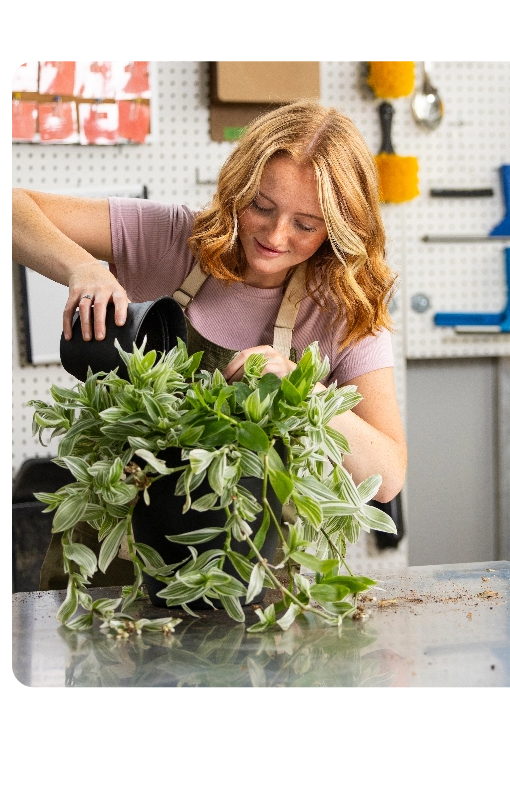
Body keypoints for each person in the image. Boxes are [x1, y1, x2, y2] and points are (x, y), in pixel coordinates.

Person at [13, 100, 407, 514]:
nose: (275, 234)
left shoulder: (344, 307)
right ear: (238, 187)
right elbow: (13, 206)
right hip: (119, 542)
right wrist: (83, 268)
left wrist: (304, 391)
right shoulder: (172, 239)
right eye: (261, 206)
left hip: (248, 561)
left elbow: (387, 478)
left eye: (305, 225)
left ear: (340, 228)